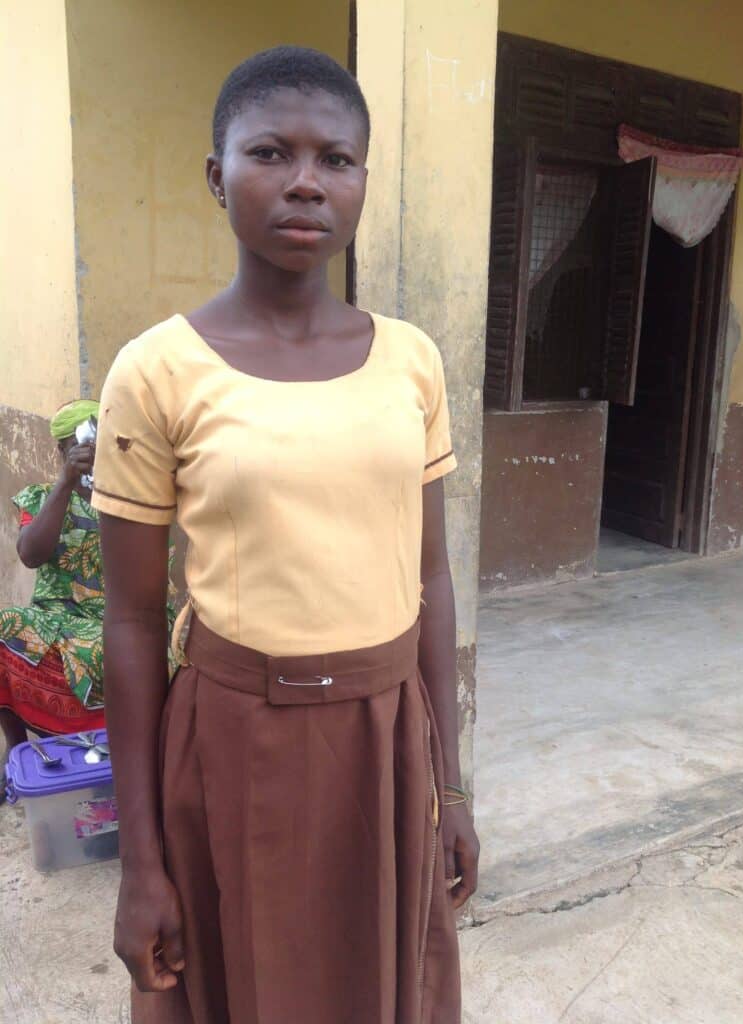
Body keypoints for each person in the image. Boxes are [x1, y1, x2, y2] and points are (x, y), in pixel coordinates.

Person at [93, 46, 479, 1024]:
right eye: (270, 152)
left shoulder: (412, 362)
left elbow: (431, 580)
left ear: (362, 181)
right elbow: (132, 621)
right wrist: (140, 862)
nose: (307, 181)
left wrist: (450, 791)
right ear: (217, 175)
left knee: (378, 984)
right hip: (232, 742)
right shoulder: (157, 371)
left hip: (384, 742)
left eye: (335, 159)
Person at [0, 401, 107, 791]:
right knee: (5, 627)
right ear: (62, 452)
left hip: (117, 618)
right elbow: (30, 555)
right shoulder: (41, 497)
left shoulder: (127, 494)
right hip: (55, 618)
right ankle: (17, 752)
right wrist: (65, 482)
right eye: (77, 448)